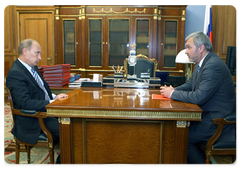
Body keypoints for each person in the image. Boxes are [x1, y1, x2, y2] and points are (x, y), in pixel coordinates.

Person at [160, 32, 236, 164]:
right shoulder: (202, 63)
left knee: (181, 138)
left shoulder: (213, 66)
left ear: (201, 48)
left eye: (189, 47)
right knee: (175, 130)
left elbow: (198, 97)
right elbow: (191, 85)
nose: (186, 52)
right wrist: (173, 90)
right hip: (205, 116)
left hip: (216, 121)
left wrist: (172, 94)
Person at [6, 39, 68, 164]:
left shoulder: (31, 68)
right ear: (25, 51)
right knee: (67, 131)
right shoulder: (16, 73)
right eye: (37, 53)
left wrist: (55, 97)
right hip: (34, 118)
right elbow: (25, 103)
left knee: (73, 122)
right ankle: (64, 162)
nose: (40, 57)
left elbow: (42, 91)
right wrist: (51, 102)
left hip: (44, 111)